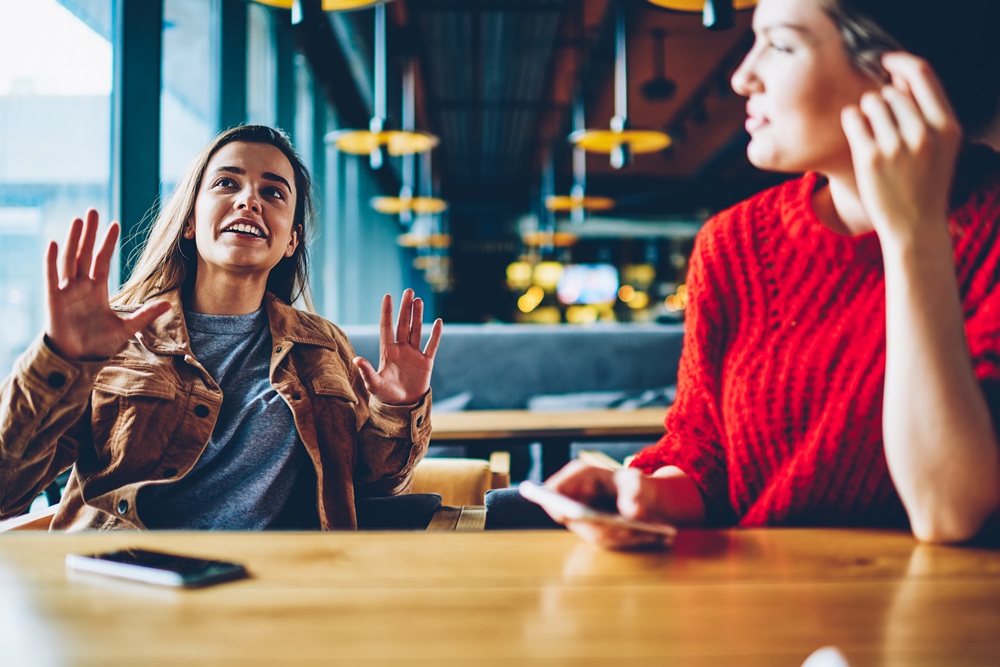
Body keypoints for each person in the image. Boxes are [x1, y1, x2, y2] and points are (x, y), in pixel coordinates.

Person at [536, 0, 1000, 548]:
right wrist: (648, 494)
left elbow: (950, 511)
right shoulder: (734, 243)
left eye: (780, 45)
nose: (741, 76)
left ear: (898, 77)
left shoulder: (986, 228)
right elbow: (706, 454)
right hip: (762, 608)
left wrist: (912, 235)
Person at [0, 124, 442, 531]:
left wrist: (397, 411)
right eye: (227, 183)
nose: (249, 200)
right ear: (190, 221)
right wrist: (59, 361)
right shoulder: (115, 337)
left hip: (276, 596)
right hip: (120, 589)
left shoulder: (323, 347)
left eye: (273, 192)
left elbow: (369, 490)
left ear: (292, 240)